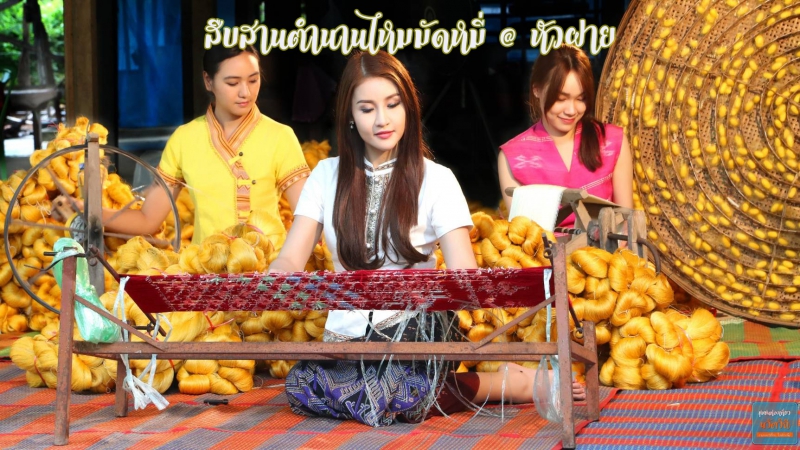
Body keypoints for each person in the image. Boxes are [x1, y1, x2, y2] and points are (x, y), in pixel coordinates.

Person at [269, 50, 584, 427]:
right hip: (347, 339)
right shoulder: (325, 176)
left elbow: (464, 273)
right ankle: (485, 384)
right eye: (367, 109)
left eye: (393, 104)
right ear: (350, 116)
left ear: (409, 106)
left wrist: (462, 288)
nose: (382, 119)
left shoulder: (437, 180)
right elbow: (292, 257)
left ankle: (513, 384)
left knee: (389, 389)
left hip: (416, 333)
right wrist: (275, 274)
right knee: (300, 385)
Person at [93, 45, 310, 246]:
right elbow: (148, 220)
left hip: (270, 268)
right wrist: (90, 211)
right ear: (208, 81)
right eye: (233, 83)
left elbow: (308, 218)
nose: (245, 92)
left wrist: (287, 263)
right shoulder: (184, 139)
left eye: (253, 80)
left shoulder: (280, 136)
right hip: (205, 268)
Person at [498, 45, 633, 227]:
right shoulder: (512, 157)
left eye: (581, 98)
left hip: (609, 245)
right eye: (561, 99)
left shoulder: (612, 141)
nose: (571, 110)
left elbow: (626, 223)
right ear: (537, 90)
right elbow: (524, 234)